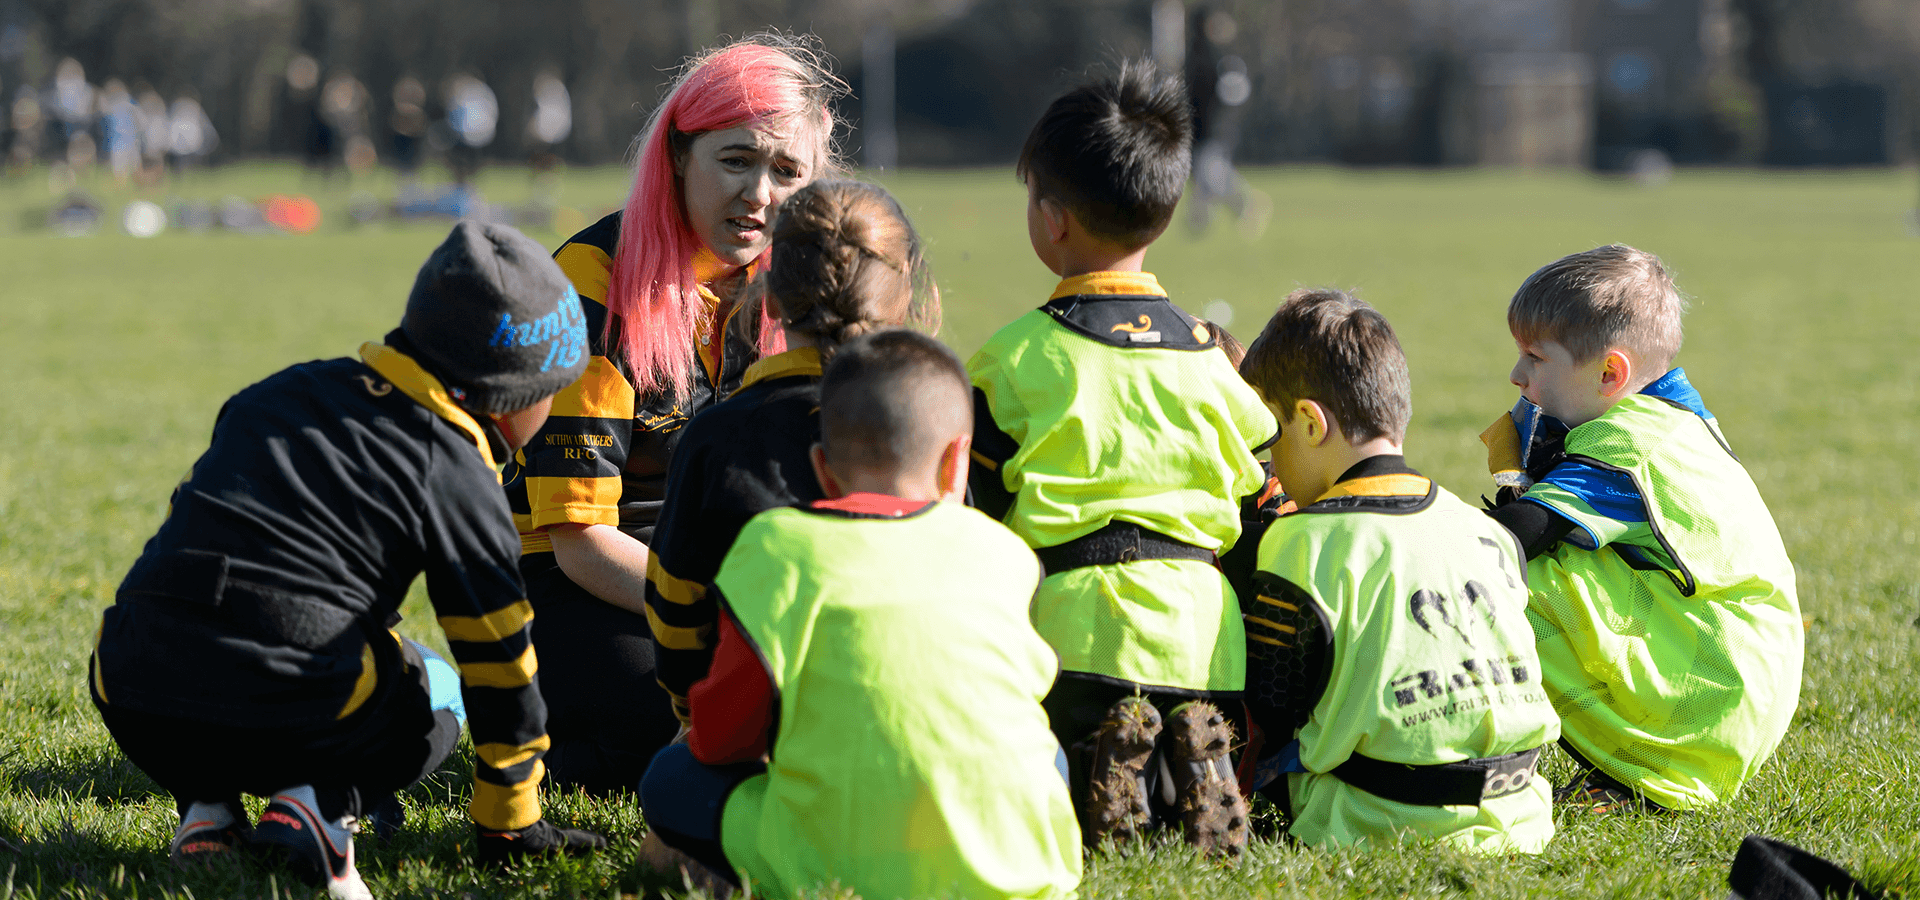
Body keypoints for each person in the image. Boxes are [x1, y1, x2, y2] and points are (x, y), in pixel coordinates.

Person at [89, 222, 607, 900]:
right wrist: (510, 821)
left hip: (132, 686)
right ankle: (318, 803)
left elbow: (189, 538)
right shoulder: (453, 465)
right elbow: (500, 658)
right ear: (514, 396)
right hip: (285, 703)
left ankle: (206, 812)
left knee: (215, 632)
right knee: (439, 686)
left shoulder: (279, 392)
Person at [502, 35, 845, 792]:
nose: (760, 193)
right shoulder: (590, 282)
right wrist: (724, 617)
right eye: (736, 160)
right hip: (587, 571)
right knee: (665, 719)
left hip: (722, 568)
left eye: (787, 172)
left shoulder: (804, 286)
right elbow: (579, 543)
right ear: (679, 157)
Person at [638, 330, 1081, 900]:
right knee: (1047, 754)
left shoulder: (776, 546)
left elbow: (725, 740)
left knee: (668, 779)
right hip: (1019, 868)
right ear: (957, 465)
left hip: (836, 871)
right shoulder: (1003, 553)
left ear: (823, 468)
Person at [965, 60, 1276, 858]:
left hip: (1075, 639)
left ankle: (1098, 775)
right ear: (1165, 215)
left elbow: (974, 518)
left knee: (1046, 764)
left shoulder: (1013, 357)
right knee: (1169, 743)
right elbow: (1259, 504)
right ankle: (1187, 769)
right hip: (1207, 641)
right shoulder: (1214, 359)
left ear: (1054, 219)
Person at [1236, 288, 1560, 852]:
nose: (1270, 458)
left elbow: (1269, 706)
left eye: (1272, 433)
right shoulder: (1486, 532)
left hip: (1376, 821)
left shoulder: (1301, 541)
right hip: (1520, 813)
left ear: (1310, 423)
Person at [1480, 244, 1802, 811]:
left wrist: (1415, 531)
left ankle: (1624, 773)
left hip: (1703, 703)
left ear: (1610, 372)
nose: (1517, 374)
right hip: (1733, 690)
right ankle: (1632, 773)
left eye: (1535, 357)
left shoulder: (1631, 442)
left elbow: (1515, 536)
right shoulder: (1675, 414)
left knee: (1492, 583)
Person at [644, 179, 937, 717]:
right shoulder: (932, 424)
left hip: (763, 734)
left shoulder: (715, 436)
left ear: (771, 298)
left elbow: (675, 604)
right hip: (918, 718)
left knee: (666, 781)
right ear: (899, 301)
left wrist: (692, 708)